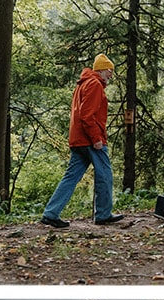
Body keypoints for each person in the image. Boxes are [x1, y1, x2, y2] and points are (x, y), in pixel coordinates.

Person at [40, 54, 126, 228]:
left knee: (71, 177)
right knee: (105, 175)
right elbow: (87, 115)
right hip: (90, 139)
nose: (111, 74)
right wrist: (96, 139)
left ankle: (51, 213)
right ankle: (103, 214)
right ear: (101, 70)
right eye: (110, 70)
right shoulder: (94, 85)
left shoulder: (83, 84)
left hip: (78, 139)